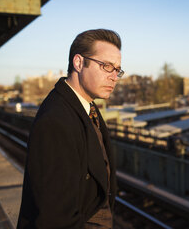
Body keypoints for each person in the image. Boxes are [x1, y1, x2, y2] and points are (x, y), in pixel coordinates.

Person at [17, 29, 124, 228]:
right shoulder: (56, 121)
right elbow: (55, 216)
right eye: (106, 66)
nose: (114, 77)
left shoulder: (86, 106)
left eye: (117, 69)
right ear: (79, 62)